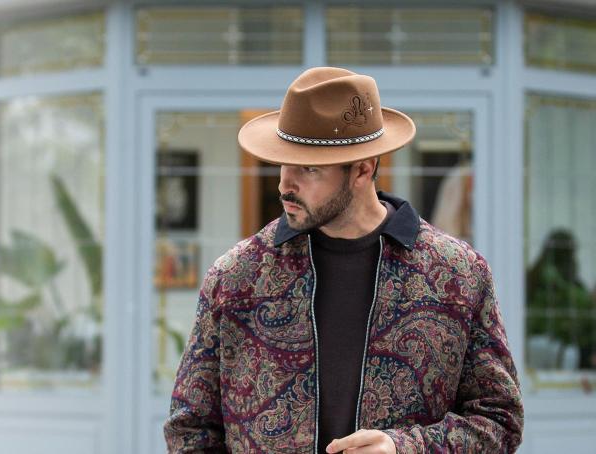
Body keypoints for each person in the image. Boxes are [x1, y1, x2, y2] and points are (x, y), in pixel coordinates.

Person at [163, 67, 523, 453]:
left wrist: (406, 448)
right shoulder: (236, 276)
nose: (285, 184)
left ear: (363, 169)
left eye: (309, 169)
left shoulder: (458, 275)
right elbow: (190, 428)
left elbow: (499, 420)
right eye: (283, 162)